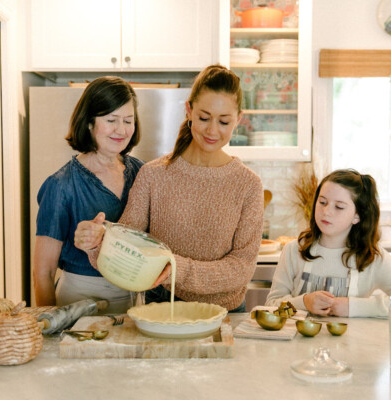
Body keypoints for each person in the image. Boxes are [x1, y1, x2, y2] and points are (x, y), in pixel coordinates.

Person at [74, 64, 264, 313]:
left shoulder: (248, 185)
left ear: (238, 120)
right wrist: (97, 243)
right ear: (189, 110)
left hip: (224, 315)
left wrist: (178, 269)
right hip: (160, 310)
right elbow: (127, 246)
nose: (212, 130)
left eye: (224, 121)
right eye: (204, 117)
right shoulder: (153, 175)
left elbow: (241, 268)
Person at [33, 76, 144, 313]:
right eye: (111, 120)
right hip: (78, 301)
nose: (121, 130)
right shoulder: (61, 185)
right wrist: (50, 325)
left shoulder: (141, 173)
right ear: (90, 123)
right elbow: (43, 271)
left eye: (128, 120)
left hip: (133, 302)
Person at [265, 169, 391, 318]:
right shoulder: (294, 250)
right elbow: (271, 305)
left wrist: (353, 307)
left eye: (339, 207)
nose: (326, 211)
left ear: (357, 216)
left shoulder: (373, 257)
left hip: (352, 341)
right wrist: (304, 302)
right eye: (322, 202)